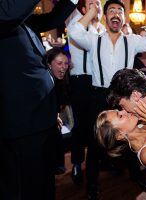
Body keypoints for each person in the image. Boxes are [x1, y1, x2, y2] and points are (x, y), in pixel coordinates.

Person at [68, 0, 146, 197]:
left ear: (123, 18)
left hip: (124, 96)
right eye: (111, 10)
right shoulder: (94, 39)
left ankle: (136, 175)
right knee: (95, 142)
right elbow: (74, 32)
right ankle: (92, 187)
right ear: (105, 17)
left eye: (119, 11)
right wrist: (92, 11)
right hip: (98, 95)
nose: (115, 14)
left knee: (132, 135)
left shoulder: (132, 40)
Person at [0, 0, 78, 199]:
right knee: (27, 183)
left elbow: (52, 18)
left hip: (42, 117)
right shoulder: (6, 16)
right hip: (22, 122)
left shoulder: (22, 21)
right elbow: (9, 13)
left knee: (45, 178)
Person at [65, 0, 106, 189]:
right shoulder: (76, 23)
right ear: (83, 9)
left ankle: (96, 164)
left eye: (98, 2)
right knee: (80, 127)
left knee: (96, 126)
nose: (96, 5)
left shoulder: (103, 31)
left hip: (97, 84)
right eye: (92, 3)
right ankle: (75, 164)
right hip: (80, 81)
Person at [47, 47, 71, 175]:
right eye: (59, 63)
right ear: (49, 64)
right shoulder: (44, 83)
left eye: (66, 63)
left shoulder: (62, 81)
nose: (64, 67)